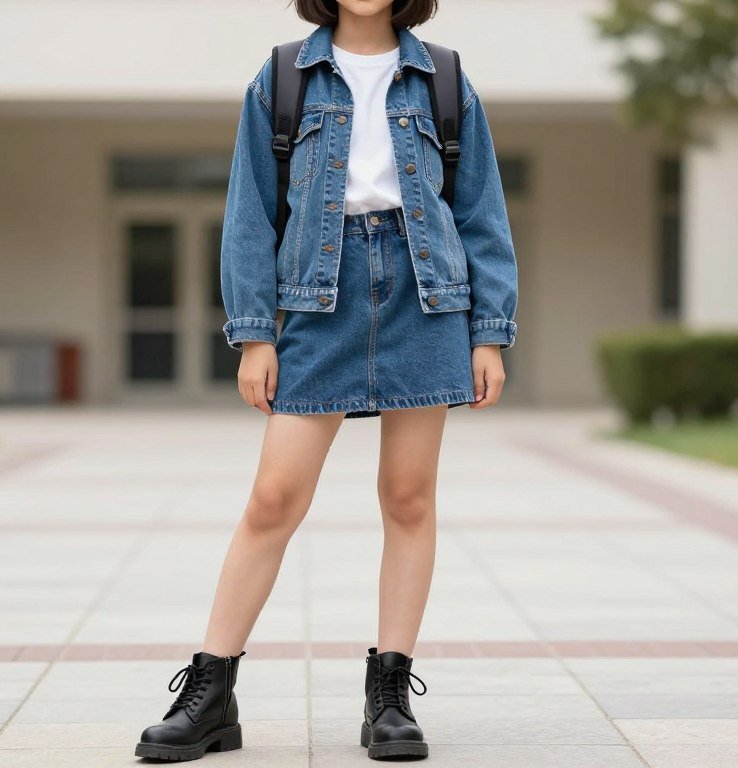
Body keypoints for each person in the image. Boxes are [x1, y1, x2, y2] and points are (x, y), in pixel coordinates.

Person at [135, 0, 517, 761]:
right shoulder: (283, 77)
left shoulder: (443, 78)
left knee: (408, 497)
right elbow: (250, 214)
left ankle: (390, 697)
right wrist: (253, 334)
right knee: (275, 496)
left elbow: (480, 214)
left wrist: (489, 331)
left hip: (425, 294)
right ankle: (211, 692)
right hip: (317, 296)